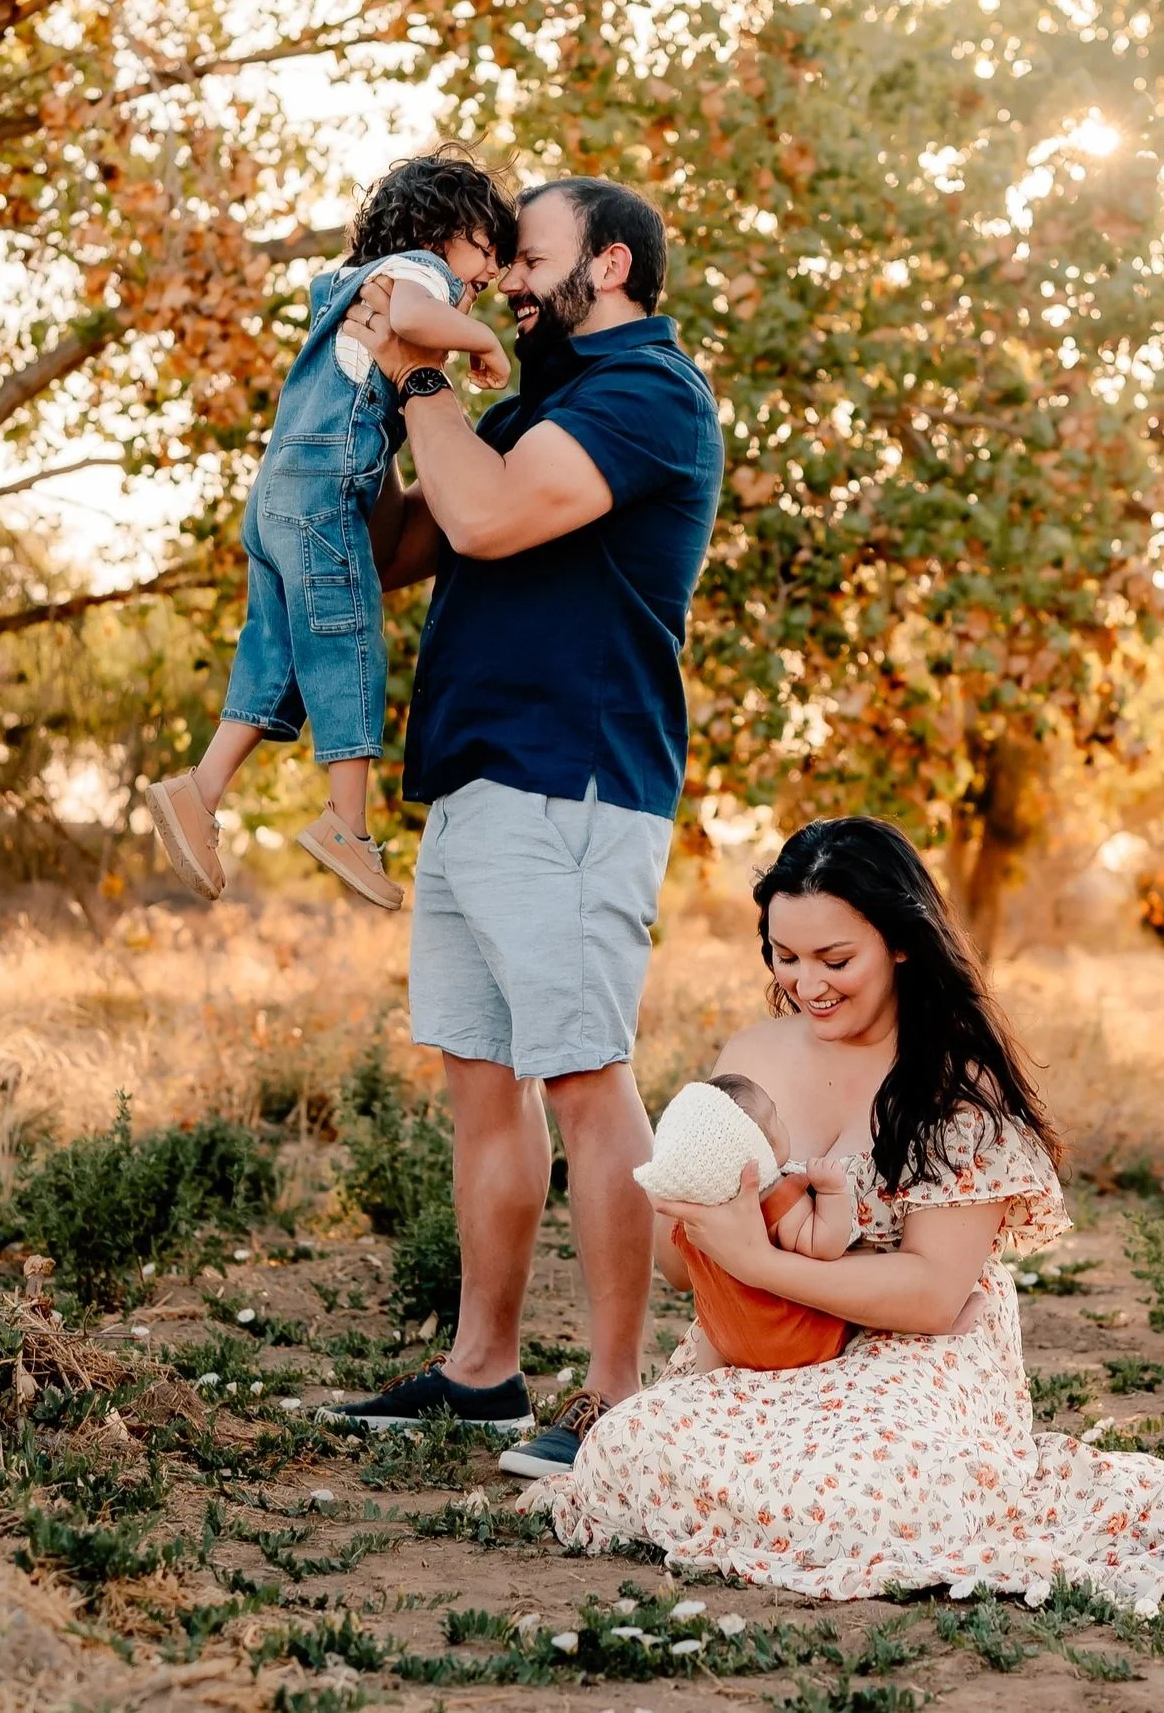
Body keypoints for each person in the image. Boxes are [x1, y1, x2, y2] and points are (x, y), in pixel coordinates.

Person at [520, 817, 1164, 1607]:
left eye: (835, 959)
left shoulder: (953, 1086)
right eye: (784, 957)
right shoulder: (752, 1058)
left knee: (867, 1489)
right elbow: (685, 1269)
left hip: (918, 1356)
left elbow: (932, 1295)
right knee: (631, 1447)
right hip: (766, 1349)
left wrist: (760, 1259)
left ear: (898, 943)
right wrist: (689, 1212)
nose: (807, 983)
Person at [318, 178, 725, 1480]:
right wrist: (370, 402)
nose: (497, 284)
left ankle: (616, 1400)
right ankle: (481, 1371)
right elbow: (404, 545)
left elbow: (489, 516)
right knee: (484, 1084)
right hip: (482, 779)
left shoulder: (647, 396)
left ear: (605, 266)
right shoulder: (530, 405)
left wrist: (430, 370)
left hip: (577, 784)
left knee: (587, 1081)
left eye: (525, 258)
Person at [145, 148, 516, 910]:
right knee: (345, 639)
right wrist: (485, 343)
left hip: (279, 491)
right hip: (321, 491)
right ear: (445, 227)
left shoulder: (341, 288)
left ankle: (200, 789)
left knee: (276, 648)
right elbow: (414, 318)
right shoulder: (417, 273)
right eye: (488, 249)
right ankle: (347, 821)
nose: (491, 275)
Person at [632, 1074, 858, 1375]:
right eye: (775, 1116)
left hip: (731, 1340)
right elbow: (825, 1245)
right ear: (765, 1148)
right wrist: (832, 1191)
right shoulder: (779, 1202)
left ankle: (706, 1380)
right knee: (855, 1297)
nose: (782, 1121)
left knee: (711, 1312)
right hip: (796, 1345)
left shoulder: (695, 1224)